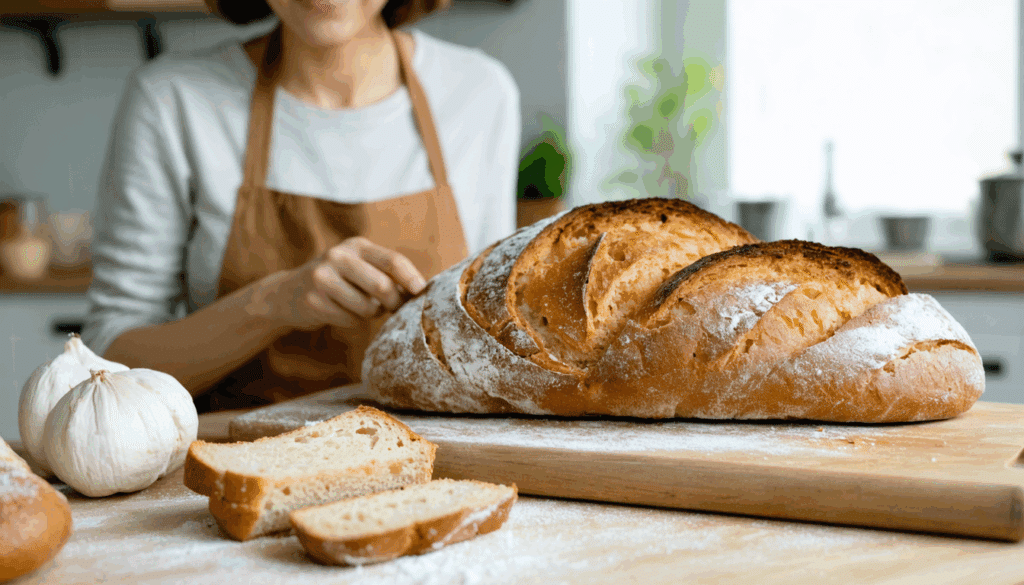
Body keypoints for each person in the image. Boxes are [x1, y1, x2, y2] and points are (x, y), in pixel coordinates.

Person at [82, 0, 521, 412]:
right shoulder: (172, 100)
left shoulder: (480, 94)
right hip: (233, 456)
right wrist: (273, 303)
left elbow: (497, 332)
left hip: (436, 461)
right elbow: (109, 368)